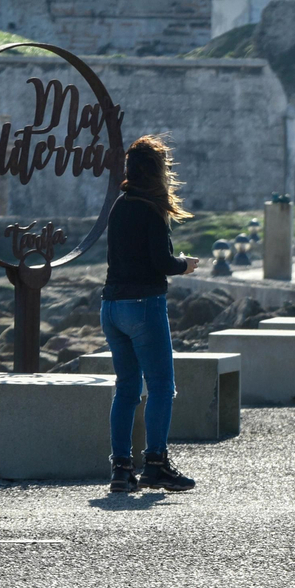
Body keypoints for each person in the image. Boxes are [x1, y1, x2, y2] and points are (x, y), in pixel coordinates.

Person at [102, 134, 201, 493]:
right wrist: (185, 265)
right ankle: (156, 464)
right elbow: (161, 262)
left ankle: (121, 469)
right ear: (159, 171)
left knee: (126, 389)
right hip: (143, 306)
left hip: (110, 306)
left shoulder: (120, 205)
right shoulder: (151, 208)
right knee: (161, 387)